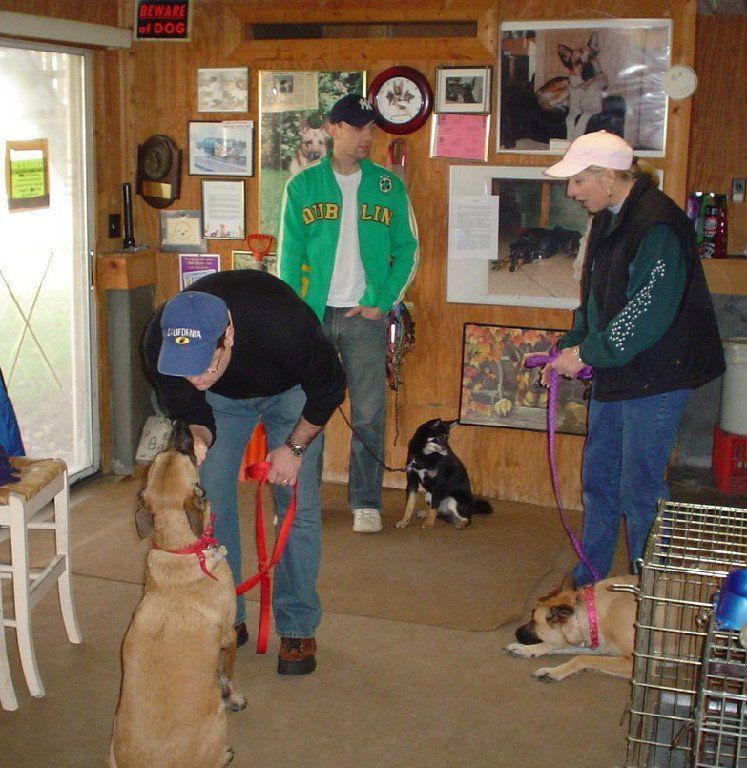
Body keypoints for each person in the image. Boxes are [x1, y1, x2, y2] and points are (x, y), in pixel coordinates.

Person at [541, 130, 725, 586]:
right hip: (620, 367)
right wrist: (573, 343)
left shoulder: (657, 224)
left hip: (659, 373)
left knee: (640, 489)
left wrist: (588, 352)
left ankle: (650, 587)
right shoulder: (608, 216)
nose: (572, 191)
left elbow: (646, 311)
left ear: (608, 177)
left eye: (579, 181)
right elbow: (598, 297)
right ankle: (592, 577)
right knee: (600, 476)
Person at [142, 270, 346, 675]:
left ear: (228, 337)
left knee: (297, 506)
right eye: (185, 370)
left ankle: (298, 625)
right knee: (211, 505)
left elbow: (329, 388)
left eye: (204, 365)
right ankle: (226, 615)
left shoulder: (284, 325)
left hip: (292, 389)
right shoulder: (161, 346)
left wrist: (294, 447)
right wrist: (199, 439)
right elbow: (192, 407)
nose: (194, 379)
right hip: (223, 402)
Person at [277, 93, 420, 534]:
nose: (366, 136)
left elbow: (408, 248)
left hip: (364, 317)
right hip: (314, 317)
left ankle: (366, 501)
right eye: (357, 127)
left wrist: (385, 300)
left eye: (371, 128)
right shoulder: (301, 187)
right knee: (302, 408)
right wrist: (296, 315)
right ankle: (299, 500)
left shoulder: (387, 186)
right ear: (333, 128)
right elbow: (288, 256)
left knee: (369, 413)